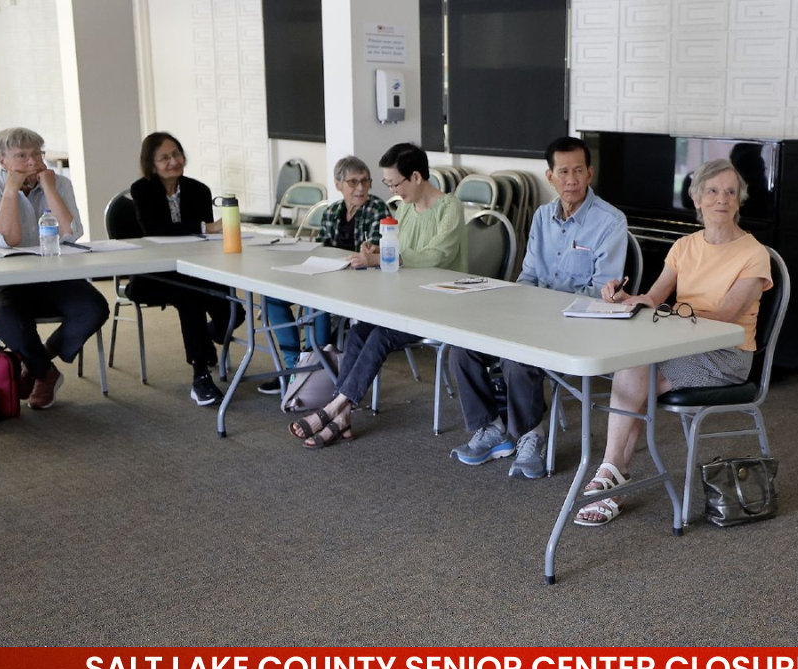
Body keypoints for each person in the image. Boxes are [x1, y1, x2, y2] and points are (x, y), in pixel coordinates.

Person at [574, 159, 772, 526]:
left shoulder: (753, 253)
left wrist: (670, 312)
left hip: (727, 353)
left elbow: (726, 317)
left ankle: (610, 479)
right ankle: (611, 473)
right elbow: (652, 299)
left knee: (640, 376)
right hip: (681, 342)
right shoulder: (684, 246)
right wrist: (623, 298)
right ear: (697, 199)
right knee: (632, 365)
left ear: (740, 201)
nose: (721, 199)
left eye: (730, 192)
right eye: (712, 191)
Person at [448, 136, 628, 479]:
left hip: (577, 322)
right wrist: (515, 306)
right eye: (563, 172)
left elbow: (599, 291)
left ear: (590, 173)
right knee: (463, 347)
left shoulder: (610, 221)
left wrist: (540, 310)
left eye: (579, 171)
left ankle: (532, 433)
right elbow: (528, 276)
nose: (571, 179)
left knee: (518, 357)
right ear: (550, 176)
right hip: (533, 315)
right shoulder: (543, 216)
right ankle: (492, 428)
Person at [287, 143, 467, 448]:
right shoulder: (406, 209)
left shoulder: (450, 207)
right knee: (358, 333)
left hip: (440, 302)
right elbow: (399, 251)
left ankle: (333, 407)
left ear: (416, 177)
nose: (391, 190)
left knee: (381, 335)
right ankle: (342, 419)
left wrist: (389, 258)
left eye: (394, 183)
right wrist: (378, 251)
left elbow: (437, 255)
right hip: (406, 301)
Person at [0, 127, 109, 410]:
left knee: (94, 307)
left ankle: (37, 361)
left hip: (52, 277)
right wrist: (11, 189)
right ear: (3, 162)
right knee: (6, 313)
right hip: (2, 280)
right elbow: (6, 240)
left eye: (37, 153)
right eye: (21, 155)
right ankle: (46, 374)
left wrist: (48, 187)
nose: (33, 161)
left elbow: (71, 233)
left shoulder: (59, 183)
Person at [259, 155, 390, 393]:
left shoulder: (376, 208)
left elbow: (372, 253)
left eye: (365, 181)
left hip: (359, 283)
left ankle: (313, 368)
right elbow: (319, 247)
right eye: (353, 182)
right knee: (272, 297)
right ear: (338, 184)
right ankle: (295, 366)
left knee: (316, 301)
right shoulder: (332, 211)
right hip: (327, 276)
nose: (360, 188)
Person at [128, 131, 237, 406]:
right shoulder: (141, 190)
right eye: (164, 158)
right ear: (151, 165)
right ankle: (200, 376)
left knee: (234, 311)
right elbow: (154, 230)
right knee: (190, 299)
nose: (173, 161)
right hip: (154, 275)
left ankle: (208, 338)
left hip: (195, 269)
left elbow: (206, 243)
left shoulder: (199, 190)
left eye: (176, 154)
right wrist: (204, 227)